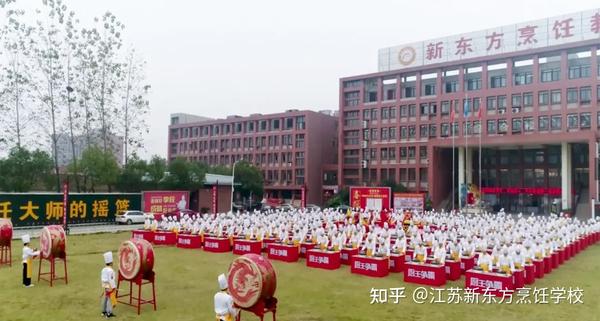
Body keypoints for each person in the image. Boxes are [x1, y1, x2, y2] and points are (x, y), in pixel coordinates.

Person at [101, 252, 117, 318]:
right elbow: (111, 280)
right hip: (109, 286)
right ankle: (108, 313)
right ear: (111, 263)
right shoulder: (110, 270)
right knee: (110, 299)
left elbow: (102, 278)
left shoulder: (103, 269)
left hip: (105, 285)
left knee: (106, 298)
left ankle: (103, 311)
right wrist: (114, 287)